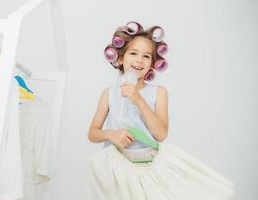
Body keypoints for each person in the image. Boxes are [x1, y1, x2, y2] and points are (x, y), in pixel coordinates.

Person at [87, 21, 236, 200]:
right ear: (120, 58)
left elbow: (161, 134)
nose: (139, 60)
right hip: (118, 167)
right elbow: (92, 133)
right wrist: (111, 134)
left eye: (146, 56)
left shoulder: (159, 92)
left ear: (152, 63)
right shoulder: (108, 94)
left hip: (149, 165)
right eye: (133, 53)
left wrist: (139, 100)